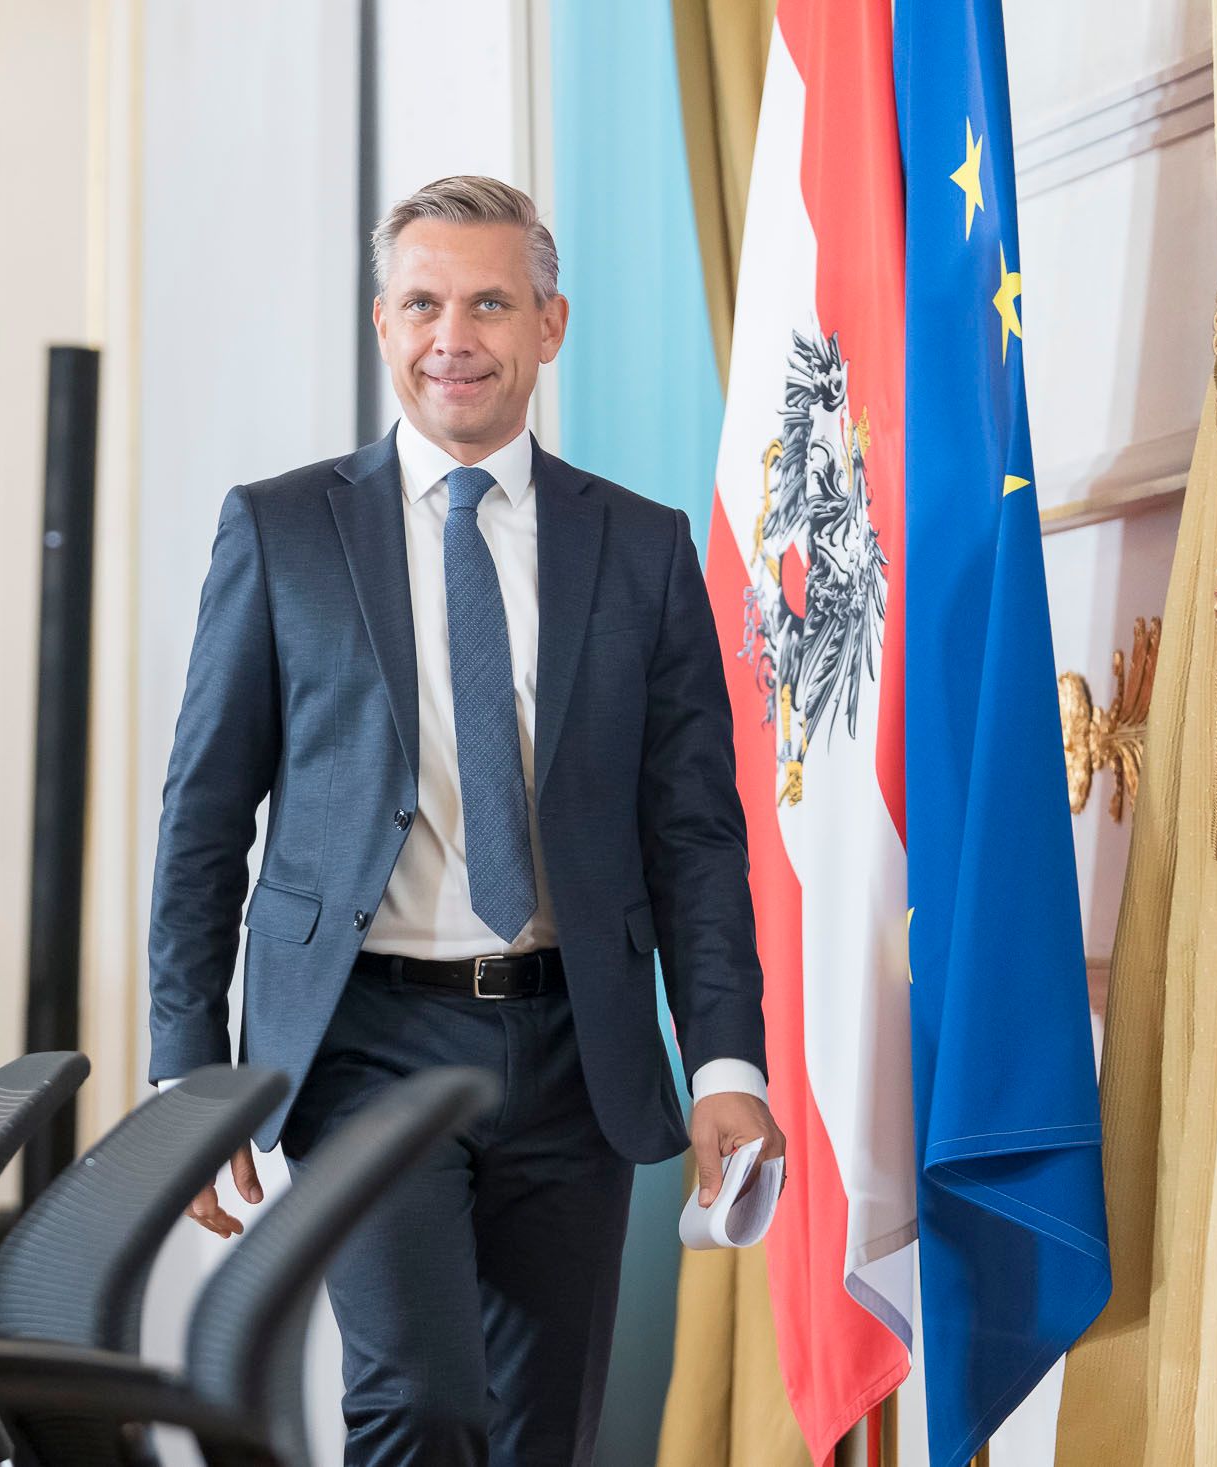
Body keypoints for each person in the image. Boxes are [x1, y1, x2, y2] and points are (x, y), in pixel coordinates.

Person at [148, 176, 787, 1466]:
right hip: (363, 1045)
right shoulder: (281, 531)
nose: (457, 334)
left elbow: (695, 836)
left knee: (538, 1428)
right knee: (423, 1403)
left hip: (575, 1047)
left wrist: (725, 1060)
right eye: (425, 302)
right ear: (381, 324)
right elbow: (204, 817)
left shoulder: (644, 546)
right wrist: (185, 1068)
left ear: (549, 325)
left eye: (491, 302)